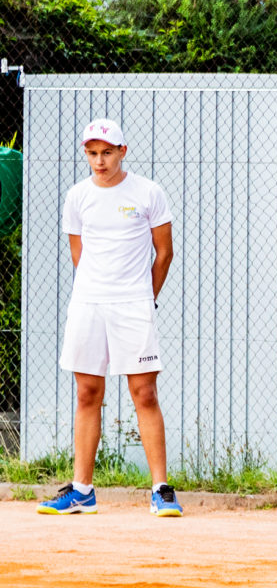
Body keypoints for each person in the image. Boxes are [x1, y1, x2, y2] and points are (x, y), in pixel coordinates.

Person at [38, 118, 181, 518]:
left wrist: (143, 298)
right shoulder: (77, 196)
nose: (99, 162)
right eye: (92, 153)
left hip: (133, 305)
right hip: (88, 305)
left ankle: (161, 490)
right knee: (87, 394)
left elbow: (164, 252)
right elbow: (78, 253)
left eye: (106, 153)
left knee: (145, 393)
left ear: (123, 151)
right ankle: (82, 491)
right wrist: (94, 291)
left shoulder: (149, 192)